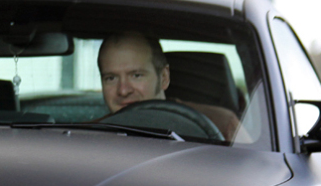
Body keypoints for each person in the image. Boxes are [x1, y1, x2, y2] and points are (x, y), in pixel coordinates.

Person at [97, 33, 239, 139]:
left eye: (136, 75)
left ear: (164, 77)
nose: (123, 90)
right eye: (111, 78)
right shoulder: (87, 134)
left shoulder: (222, 124)